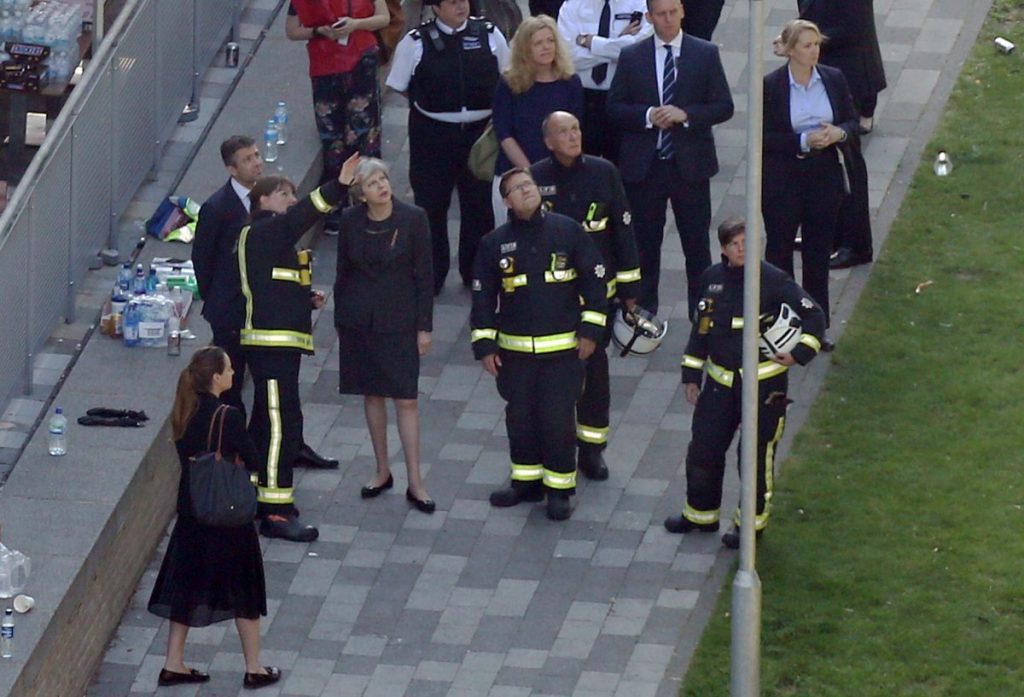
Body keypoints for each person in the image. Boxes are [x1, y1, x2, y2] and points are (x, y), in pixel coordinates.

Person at [664, 218, 825, 549]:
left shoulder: (775, 280)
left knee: (754, 455)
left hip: (764, 388)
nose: (742, 249)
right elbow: (702, 331)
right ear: (723, 249)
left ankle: (750, 524)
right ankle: (700, 514)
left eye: (747, 242)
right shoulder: (711, 280)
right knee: (704, 450)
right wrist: (691, 376)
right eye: (735, 244)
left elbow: (814, 317)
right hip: (720, 386)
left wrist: (798, 353)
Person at [471, 168, 607, 521]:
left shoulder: (567, 231)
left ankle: (560, 490)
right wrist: (486, 346)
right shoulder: (494, 244)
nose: (525, 191)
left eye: (528, 185)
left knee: (557, 421)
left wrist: (591, 332)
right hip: (515, 355)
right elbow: (483, 298)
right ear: (506, 202)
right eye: (515, 188)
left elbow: (595, 283)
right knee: (520, 419)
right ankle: (526, 481)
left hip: (561, 353)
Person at [148, 346, 280, 691]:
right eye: (230, 370)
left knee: (187, 587)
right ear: (216, 377)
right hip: (228, 516)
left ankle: (173, 663)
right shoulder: (228, 415)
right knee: (245, 591)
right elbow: (252, 458)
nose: (234, 374)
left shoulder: (184, 412)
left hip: (193, 513)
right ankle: (255, 667)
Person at [237, 162, 354, 542]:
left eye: (292, 193)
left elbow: (274, 285)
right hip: (270, 344)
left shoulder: (270, 239)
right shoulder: (265, 230)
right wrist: (338, 185)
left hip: (279, 343)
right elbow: (302, 216)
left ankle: (257, 488)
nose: (291, 200)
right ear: (263, 200)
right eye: (284, 193)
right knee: (277, 424)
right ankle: (276, 510)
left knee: (264, 420)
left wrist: (304, 299)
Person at [531, 111, 640, 480]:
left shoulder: (603, 172)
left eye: (576, 128)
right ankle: (556, 448)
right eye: (563, 132)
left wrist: (629, 291)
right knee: (556, 380)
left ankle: (592, 450)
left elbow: (623, 230)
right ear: (548, 141)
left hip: (597, 297)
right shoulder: (536, 178)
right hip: (553, 301)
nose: (573, 136)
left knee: (595, 378)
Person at [606, 0, 733, 317]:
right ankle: (644, 309)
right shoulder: (632, 56)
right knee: (645, 244)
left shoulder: (704, 53)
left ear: (683, 12)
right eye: (661, 14)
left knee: (696, 245)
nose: (668, 19)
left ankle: (701, 310)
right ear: (649, 17)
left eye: (673, 12)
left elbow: (723, 106)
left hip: (689, 166)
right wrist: (649, 116)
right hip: (645, 168)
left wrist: (686, 115)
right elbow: (615, 108)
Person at [333, 157, 436, 514]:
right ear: (361, 194)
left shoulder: (413, 219)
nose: (381, 186)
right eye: (372, 182)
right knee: (372, 394)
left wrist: (424, 326)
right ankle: (381, 470)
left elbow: (425, 275)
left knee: (406, 399)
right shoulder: (350, 222)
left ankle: (416, 481)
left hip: (400, 319)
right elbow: (342, 271)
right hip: (360, 321)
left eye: (383, 179)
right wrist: (341, 319)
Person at [386, 0, 510, 294]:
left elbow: (507, 76)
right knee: (431, 206)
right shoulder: (416, 42)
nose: (460, 6)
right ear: (436, 8)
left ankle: (475, 272)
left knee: (479, 206)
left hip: (480, 136)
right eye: (452, 2)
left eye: (463, 1)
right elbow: (400, 84)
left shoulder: (490, 35)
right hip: (433, 134)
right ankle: (433, 274)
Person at [762, 19, 857, 341]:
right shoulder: (771, 86)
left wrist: (838, 133)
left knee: (818, 254)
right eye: (806, 45)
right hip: (783, 178)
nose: (814, 51)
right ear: (789, 50)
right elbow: (763, 137)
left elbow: (851, 120)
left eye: (816, 44)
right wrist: (803, 142)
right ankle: (781, 325)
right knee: (779, 253)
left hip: (822, 176)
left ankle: (817, 327)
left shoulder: (833, 78)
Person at [286, 0, 390, 233]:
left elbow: (384, 18)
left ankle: (371, 202)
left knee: (364, 135)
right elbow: (292, 30)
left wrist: (355, 24)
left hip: (361, 60)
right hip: (325, 64)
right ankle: (337, 204)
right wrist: (317, 31)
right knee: (332, 140)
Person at [192, 136, 262, 417]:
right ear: (232, 169)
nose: (257, 163)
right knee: (230, 383)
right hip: (229, 309)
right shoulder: (217, 207)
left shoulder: (267, 197)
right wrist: (216, 300)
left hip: (259, 307)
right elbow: (202, 258)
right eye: (248, 159)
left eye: (257, 155)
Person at [491, 14, 583, 222]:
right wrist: (530, 175)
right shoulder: (509, 83)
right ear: (525, 48)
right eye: (538, 43)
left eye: (550, 41)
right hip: (514, 175)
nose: (546, 47)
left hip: (560, 175)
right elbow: (504, 133)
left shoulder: (570, 82)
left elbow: (574, 131)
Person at [557, 0, 648, 162]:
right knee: (580, 170)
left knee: (620, 172)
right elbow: (567, 57)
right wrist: (617, 45)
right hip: (581, 100)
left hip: (623, 99)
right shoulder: (572, 6)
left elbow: (638, 51)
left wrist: (590, 42)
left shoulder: (642, 5)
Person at [798, 0, 886, 135]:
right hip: (825, 43)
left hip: (850, 58)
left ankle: (864, 110)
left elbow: (855, 28)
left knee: (847, 116)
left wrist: (812, 39)